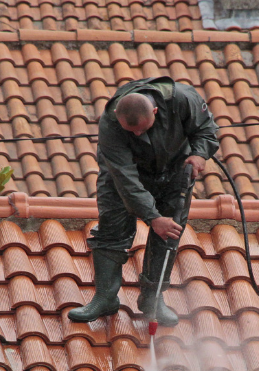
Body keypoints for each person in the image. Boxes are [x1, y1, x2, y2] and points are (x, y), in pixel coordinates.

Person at [68, 76, 219, 327]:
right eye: (132, 131)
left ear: (156, 111)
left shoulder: (182, 99)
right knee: (111, 229)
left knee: (168, 232)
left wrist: (199, 154)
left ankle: (152, 299)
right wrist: (151, 216)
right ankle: (105, 297)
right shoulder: (110, 123)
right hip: (122, 177)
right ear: (117, 115)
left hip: (174, 172)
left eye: (143, 129)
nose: (137, 134)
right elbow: (126, 180)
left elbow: (206, 129)